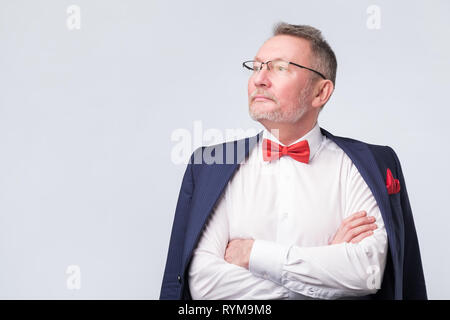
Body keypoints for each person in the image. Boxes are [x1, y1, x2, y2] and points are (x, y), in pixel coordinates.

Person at [160, 22, 427, 300]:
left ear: (320, 92)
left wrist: (253, 254)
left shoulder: (366, 164)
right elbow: (204, 285)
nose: (259, 79)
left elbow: (365, 272)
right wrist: (327, 269)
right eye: (257, 66)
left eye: (279, 68)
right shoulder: (211, 165)